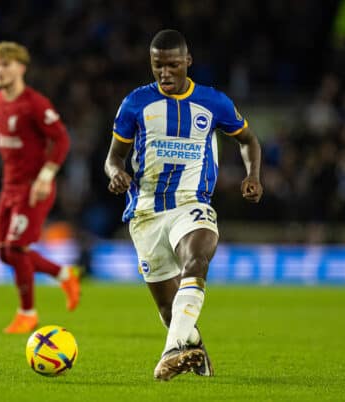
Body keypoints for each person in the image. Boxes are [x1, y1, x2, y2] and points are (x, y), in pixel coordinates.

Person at [104, 29, 263, 380]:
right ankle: (195, 352)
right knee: (167, 309)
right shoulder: (136, 103)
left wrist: (253, 174)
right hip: (146, 212)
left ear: (188, 62)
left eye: (173, 65)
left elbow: (248, 140)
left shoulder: (213, 102)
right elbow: (113, 158)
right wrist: (115, 174)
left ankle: (171, 353)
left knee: (197, 258)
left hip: (191, 203)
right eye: (158, 66)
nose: (165, 73)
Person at [0, 41, 80, 334]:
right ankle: (64, 274)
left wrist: (46, 176)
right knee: (4, 253)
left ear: (21, 67)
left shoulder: (35, 104)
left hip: (33, 188)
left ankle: (28, 313)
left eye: (5, 64)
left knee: (16, 247)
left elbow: (61, 139)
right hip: (8, 187)